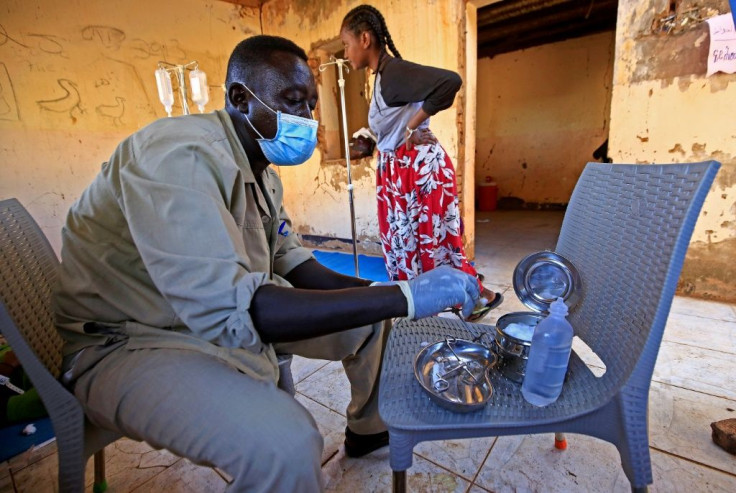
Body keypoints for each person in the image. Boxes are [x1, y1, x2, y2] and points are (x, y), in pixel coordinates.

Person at [54, 35, 482, 492]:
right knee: (286, 446)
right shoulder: (178, 157)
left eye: (311, 105)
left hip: (198, 316)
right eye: (294, 102)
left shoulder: (258, 168)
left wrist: (384, 297)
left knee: (375, 321)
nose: (308, 120)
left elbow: (293, 263)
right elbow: (243, 309)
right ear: (241, 97)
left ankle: (367, 432)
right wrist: (405, 296)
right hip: (129, 341)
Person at [339, 5, 503, 321]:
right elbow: (394, 123)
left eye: (346, 45)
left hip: (418, 171)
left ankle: (477, 296)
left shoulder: (393, 72)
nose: (345, 54)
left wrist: (412, 126)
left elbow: (449, 82)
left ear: (364, 38)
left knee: (436, 243)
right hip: (401, 172)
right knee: (411, 247)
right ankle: (454, 302)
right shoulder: (383, 78)